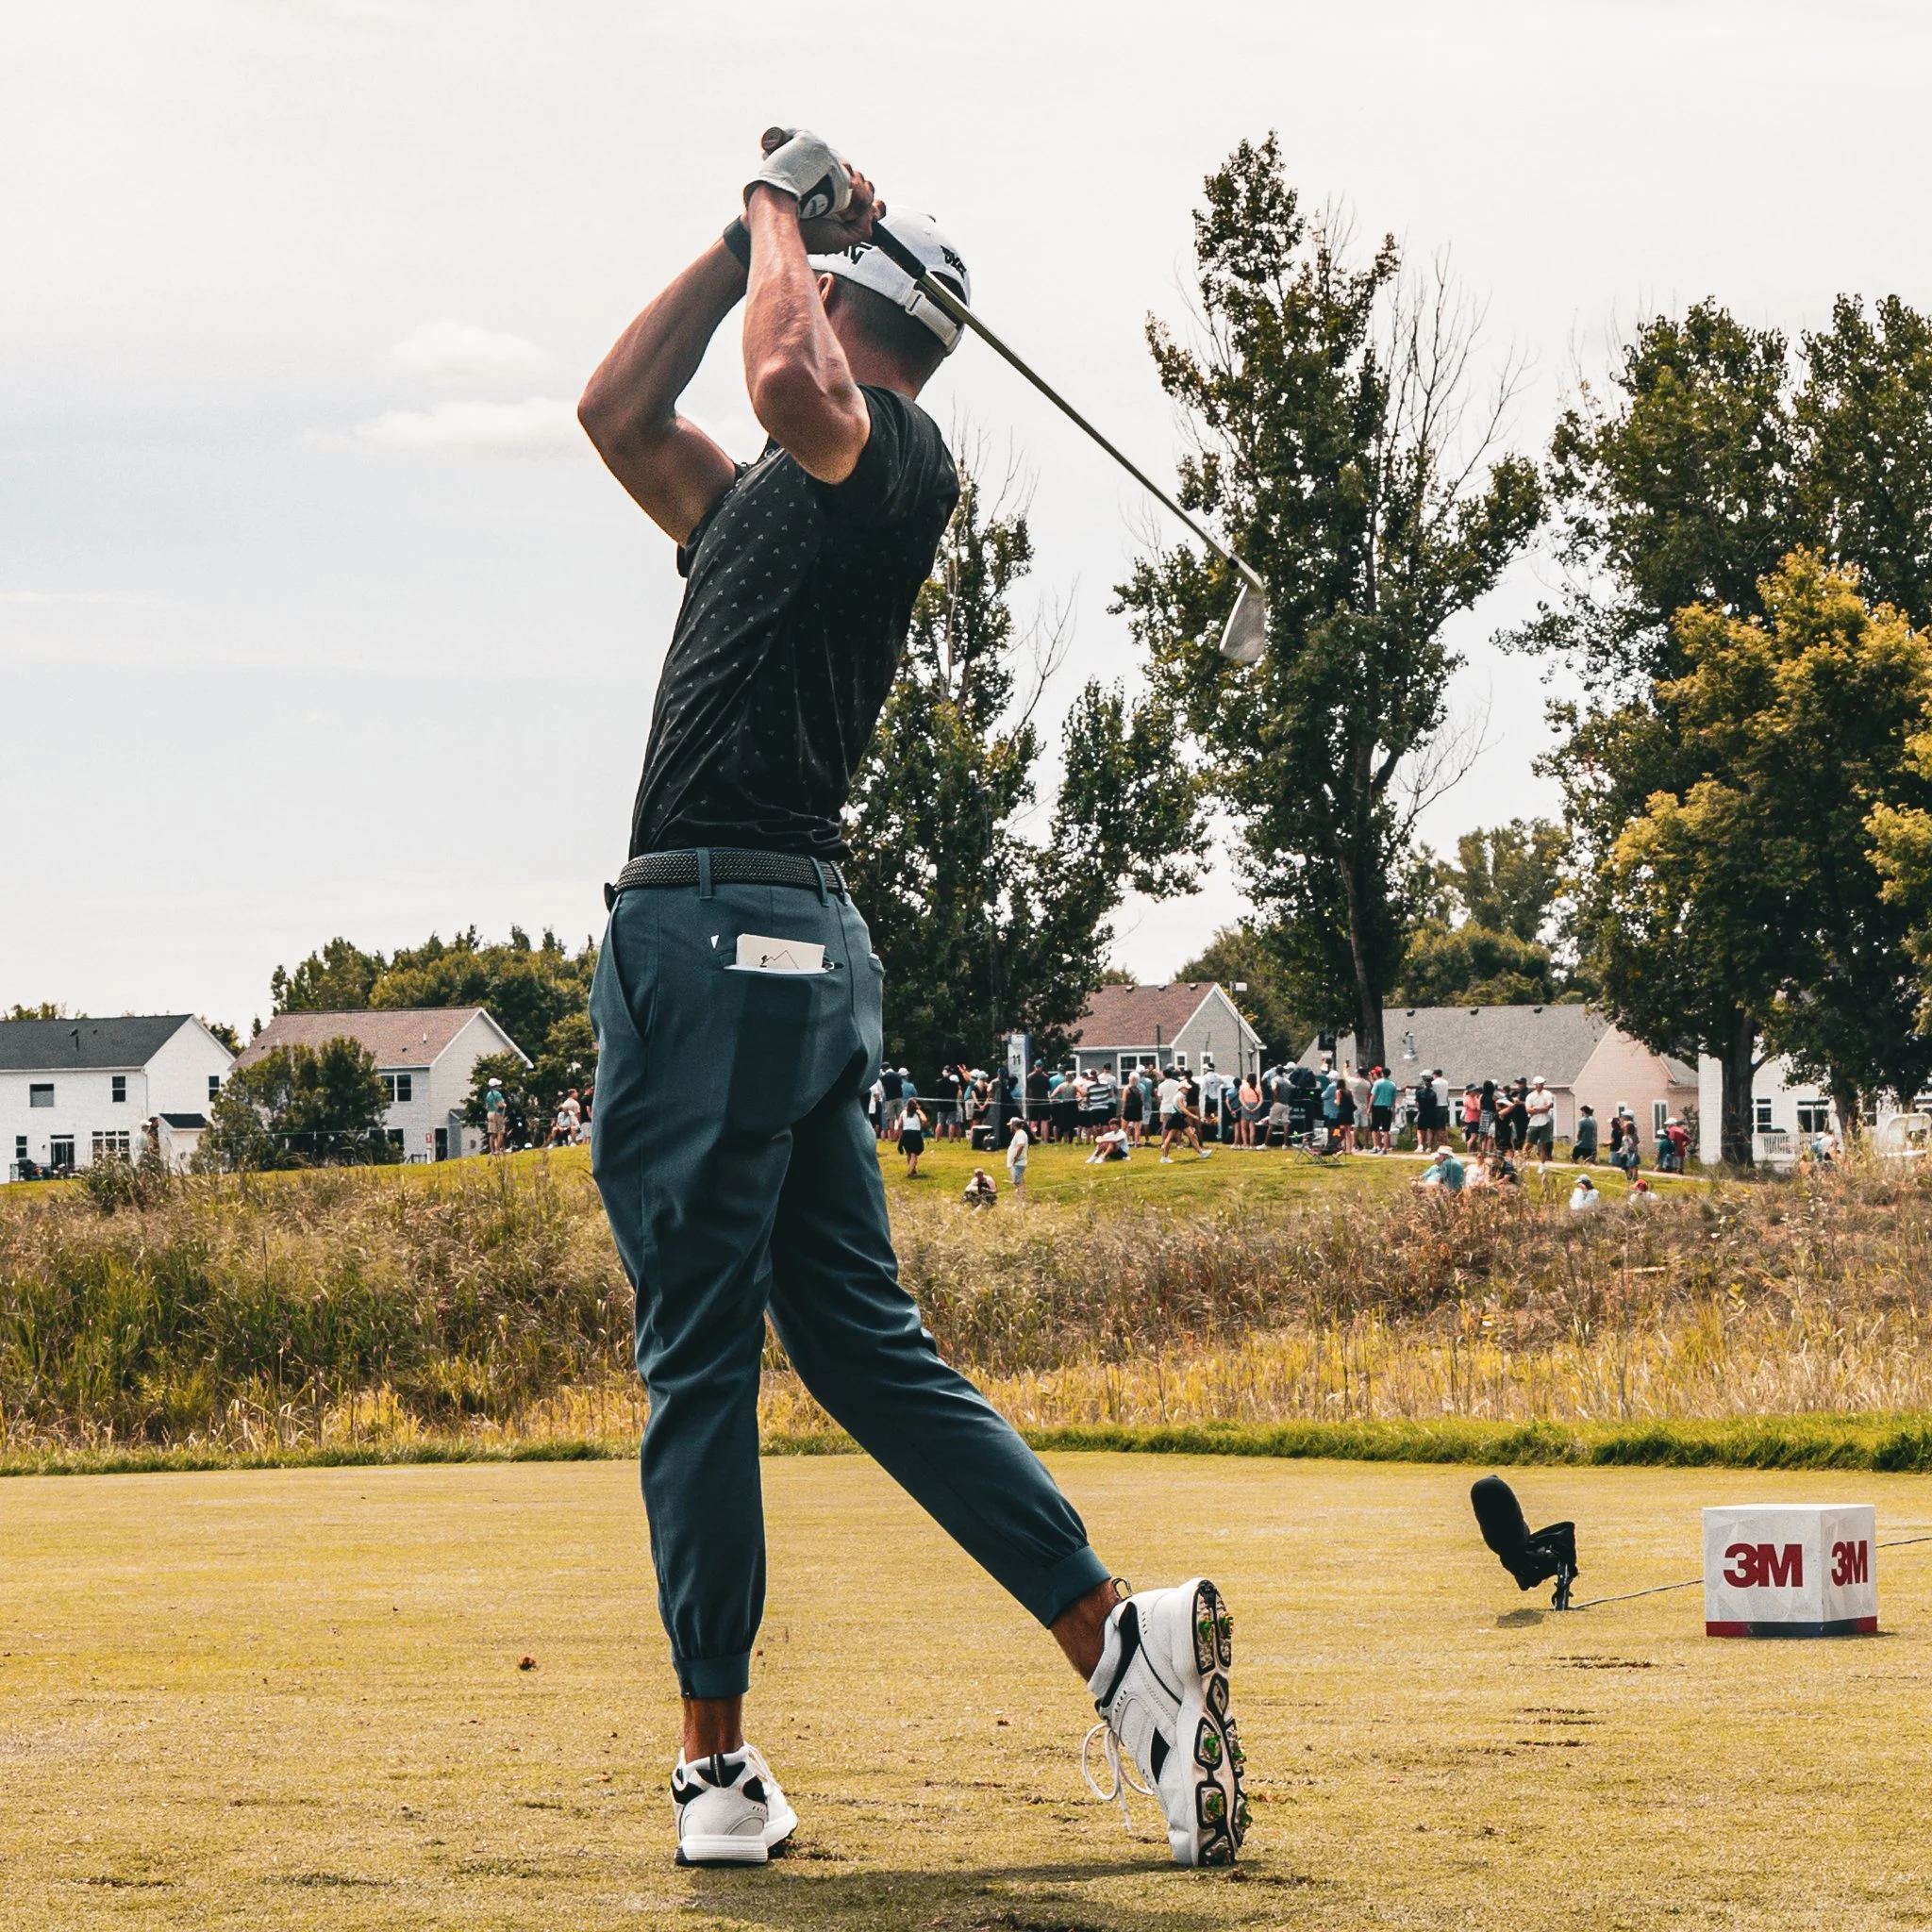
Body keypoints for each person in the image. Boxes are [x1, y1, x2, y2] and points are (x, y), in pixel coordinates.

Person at [577, 130, 1243, 1870]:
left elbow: (795, 369)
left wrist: (777, 219)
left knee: (698, 1361)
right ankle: (1117, 1638)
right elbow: (615, 415)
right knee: (862, 1347)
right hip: (800, 954)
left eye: (806, 285)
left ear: (858, 306)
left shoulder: (880, 452)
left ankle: (715, 1772)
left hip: (710, 940)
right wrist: (744, 237)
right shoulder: (758, 507)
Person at [1368, 1065, 1398, 1155]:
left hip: (1377, 1106)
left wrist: (1369, 1107)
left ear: (1382, 1073)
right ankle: (1385, 1148)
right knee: (1386, 1130)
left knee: (1375, 1128)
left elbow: (1373, 1096)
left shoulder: (1377, 1083)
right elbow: (1394, 1099)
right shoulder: (1392, 1084)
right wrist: (1393, 1109)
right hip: (1387, 1107)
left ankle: (1375, 1146)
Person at [1524, 1077, 1555, 1163]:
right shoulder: (1530, 1096)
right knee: (1529, 1142)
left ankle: (1542, 1163)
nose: (1541, 1086)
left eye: (1542, 1084)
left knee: (1543, 1144)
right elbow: (1528, 1110)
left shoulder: (1548, 1094)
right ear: (1535, 1085)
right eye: (1539, 1084)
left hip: (1545, 1122)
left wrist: (1536, 1109)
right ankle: (1524, 1160)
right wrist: (1540, 1109)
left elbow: (1548, 1107)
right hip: (1534, 1122)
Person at [897, 1099, 927, 1176]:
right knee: (914, 1154)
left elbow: (899, 1124)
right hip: (915, 1133)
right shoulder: (918, 1112)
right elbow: (924, 1119)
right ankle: (910, 1172)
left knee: (909, 1153)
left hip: (906, 1134)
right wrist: (921, 1125)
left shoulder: (903, 1112)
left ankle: (913, 1169)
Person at [1006, 1118, 1030, 1196]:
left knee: (1018, 1182)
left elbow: (1021, 1146)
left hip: (1018, 1162)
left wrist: (1015, 1157)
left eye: (1011, 1125)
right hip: (1017, 1162)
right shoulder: (1019, 1133)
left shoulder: (1020, 1134)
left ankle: (1022, 1199)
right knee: (1019, 1182)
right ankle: (1021, 1199)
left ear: (1013, 1126)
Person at [485, 1078, 508, 1156]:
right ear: (496, 1086)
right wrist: (504, 1105)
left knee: (492, 1133)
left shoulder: (488, 1094)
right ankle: (497, 1150)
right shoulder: (498, 1094)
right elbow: (500, 1104)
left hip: (489, 1113)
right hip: (497, 1114)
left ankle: (492, 1151)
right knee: (500, 1132)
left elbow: (486, 1106)